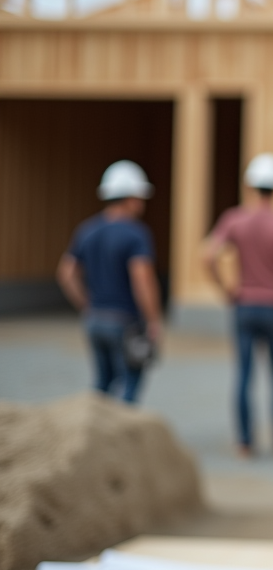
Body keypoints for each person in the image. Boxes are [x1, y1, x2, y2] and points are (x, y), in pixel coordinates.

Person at [203, 153, 273, 457]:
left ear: (250, 185)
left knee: (244, 374)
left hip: (245, 305)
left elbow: (208, 256)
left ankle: (245, 442)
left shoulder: (234, 219)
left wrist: (225, 288)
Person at [57, 160, 162, 404]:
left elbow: (66, 273)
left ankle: (93, 432)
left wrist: (86, 303)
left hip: (95, 319)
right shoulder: (136, 234)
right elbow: (142, 279)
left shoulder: (87, 230)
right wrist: (153, 320)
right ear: (131, 198)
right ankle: (120, 436)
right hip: (125, 322)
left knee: (103, 382)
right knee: (130, 382)